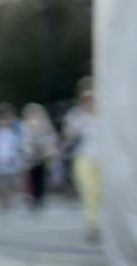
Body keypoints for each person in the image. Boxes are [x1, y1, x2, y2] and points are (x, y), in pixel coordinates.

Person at [65, 78, 103, 244]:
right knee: (89, 192)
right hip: (84, 158)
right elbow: (69, 135)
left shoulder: (105, 114)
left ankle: (100, 222)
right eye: (86, 96)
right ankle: (92, 226)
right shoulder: (77, 115)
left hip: (103, 159)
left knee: (99, 193)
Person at [20, 102, 59, 211]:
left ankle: (40, 197)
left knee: (40, 177)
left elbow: (50, 137)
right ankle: (31, 197)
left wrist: (49, 150)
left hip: (42, 155)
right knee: (31, 177)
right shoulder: (24, 125)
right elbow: (23, 140)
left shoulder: (45, 124)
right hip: (30, 156)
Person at [0, 103, 24, 212]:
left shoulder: (16, 126)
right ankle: (2, 201)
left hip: (12, 159)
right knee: (0, 182)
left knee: (11, 181)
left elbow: (19, 143)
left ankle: (9, 199)